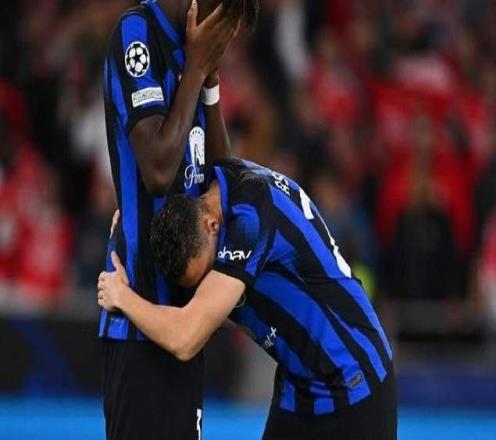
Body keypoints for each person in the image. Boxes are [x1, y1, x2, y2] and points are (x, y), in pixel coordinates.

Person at [98, 159, 397, 440]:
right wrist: (130, 238)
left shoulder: (251, 218)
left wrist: (121, 296)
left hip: (353, 381)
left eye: (207, 273)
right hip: (300, 386)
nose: (206, 288)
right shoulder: (216, 192)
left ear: (212, 225)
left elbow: (186, 338)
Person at [100, 0, 258, 438]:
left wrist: (209, 83)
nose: (226, 36)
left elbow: (224, 181)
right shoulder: (137, 35)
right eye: (227, 19)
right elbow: (157, 171)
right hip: (138, 324)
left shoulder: (194, 59)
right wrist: (195, 69)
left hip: (184, 323)